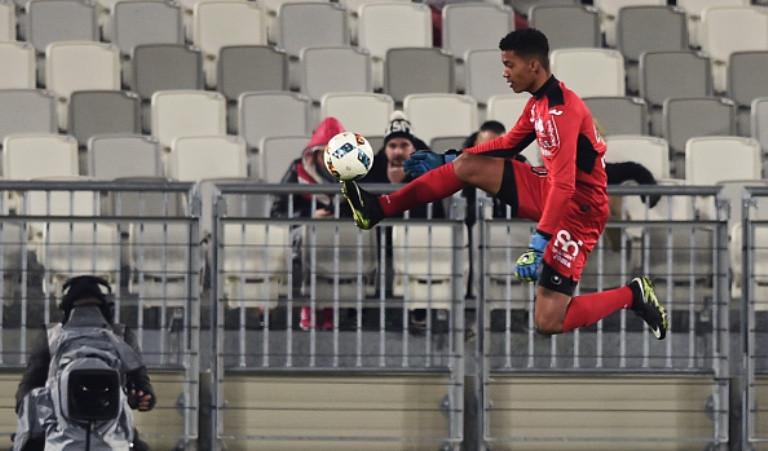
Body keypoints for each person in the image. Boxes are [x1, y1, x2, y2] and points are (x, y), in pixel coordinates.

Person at [340, 29, 669, 339]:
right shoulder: (539, 102)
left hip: (576, 211)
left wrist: (539, 245)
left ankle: (633, 295)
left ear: (533, 65)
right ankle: (377, 208)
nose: (505, 73)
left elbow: (566, 186)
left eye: (509, 65)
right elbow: (509, 143)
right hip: (549, 188)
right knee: (469, 165)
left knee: (548, 320)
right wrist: (450, 159)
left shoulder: (561, 111)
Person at [14, 276, 155, 451]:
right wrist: (139, 398)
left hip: (59, 437)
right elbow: (143, 385)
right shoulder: (122, 335)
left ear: (66, 308)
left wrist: (42, 406)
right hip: (112, 436)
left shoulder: (51, 336)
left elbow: (26, 391)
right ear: (106, 308)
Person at [361, 111, 446, 333]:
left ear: (414, 147)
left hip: (416, 236)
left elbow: (434, 211)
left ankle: (419, 310)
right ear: (385, 148)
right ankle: (354, 308)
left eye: (404, 145)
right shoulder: (371, 168)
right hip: (377, 234)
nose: (398, 151)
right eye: (393, 146)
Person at [271, 117, 348, 331]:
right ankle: (309, 303)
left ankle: (331, 306)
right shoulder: (297, 172)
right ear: (315, 153)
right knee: (308, 242)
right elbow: (277, 210)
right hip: (303, 234)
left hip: (339, 236)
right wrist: (309, 216)